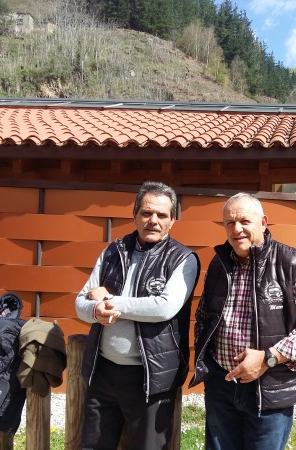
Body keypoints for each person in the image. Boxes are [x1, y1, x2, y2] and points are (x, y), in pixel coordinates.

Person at [190, 192, 296, 450]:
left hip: (269, 388)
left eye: (244, 221)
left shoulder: (290, 263)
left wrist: (268, 357)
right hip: (222, 385)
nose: (236, 229)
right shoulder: (219, 264)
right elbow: (204, 317)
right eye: (229, 223)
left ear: (263, 222)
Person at [75, 181, 200, 450]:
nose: (153, 220)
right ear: (135, 215)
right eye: (146, 213)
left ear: (172, 220)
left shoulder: (183, 259)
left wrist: (108, 301)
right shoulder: (112, 252)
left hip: (151, 377)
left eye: (162, 215)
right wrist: (95, 311)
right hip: (104, 372)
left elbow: (164, 307)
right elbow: (80, 303)